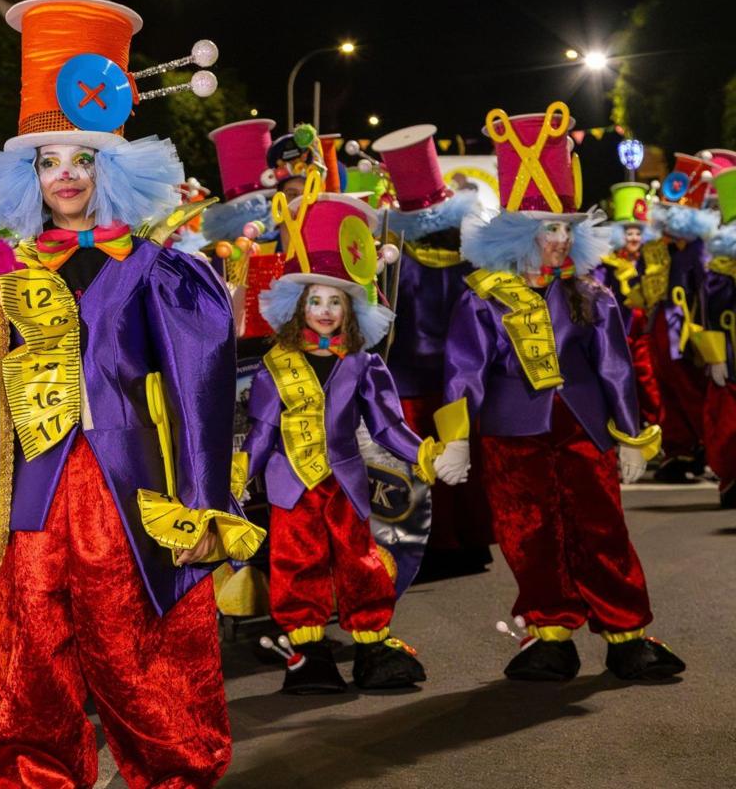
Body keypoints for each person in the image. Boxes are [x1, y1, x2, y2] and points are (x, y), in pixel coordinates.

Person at [0, 0, 255, 788]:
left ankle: (173, 774)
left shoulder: (163, 269)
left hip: (128, 492)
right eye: (48, 159)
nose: (64, 175)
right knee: (27, 651)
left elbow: (202, 395)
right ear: (29, 174)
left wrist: (204, 505)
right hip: (29, 491)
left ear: (110, 168)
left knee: (139, 650)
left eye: (81, 158)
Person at [440, 103, 685, 682]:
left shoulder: (592, 294)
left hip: (584, 426)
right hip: (510, 432)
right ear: (518, 233)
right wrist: (454, 439)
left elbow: (616, 369)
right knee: (528, 532)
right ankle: (549, 631)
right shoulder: (482, 297)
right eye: (544, 227)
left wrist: (630, 436)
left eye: (562, 228)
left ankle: (626, 631)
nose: (555, 238)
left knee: (603, 528)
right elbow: (463, 372)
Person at [245, 185, 443, 693]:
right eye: (317, 300)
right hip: (290, 485)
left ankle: (373, 646)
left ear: (351, 309)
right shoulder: (273, 366)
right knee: (296, 564)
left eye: (336, 300)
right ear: (299, 305)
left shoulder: (364, 363)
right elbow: (264, 430)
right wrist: (238, 475)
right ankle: (309, 653)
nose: (327, 310)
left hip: (347, 482)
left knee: (359, 560)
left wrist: (421, 450)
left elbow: (386, 424)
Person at [372, 124, 492, 577]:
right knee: (458, 456)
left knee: (417, 462)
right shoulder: (469, 257)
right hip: (457, 374)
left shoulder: (395, 258)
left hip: (410, 376)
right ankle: (468, 540)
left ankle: (430, 545)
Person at [647, 153, 720, 482]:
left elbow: (706, 292)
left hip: (686, 326)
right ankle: (680, 448)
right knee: (670, 386)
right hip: (664, 322)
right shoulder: (670, 249)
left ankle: (704, 444)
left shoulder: (698, 251)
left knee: (690, 388)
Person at [596, 182, 663, 428]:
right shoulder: (608, 265)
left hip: (644, 332)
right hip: (618, 333)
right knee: (619, 378)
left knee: (647, 378)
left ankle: (655, 424)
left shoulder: (652, 263)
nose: (634, 237)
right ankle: (624, 425)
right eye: (629, 232)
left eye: (638, 232)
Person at [697, 169, 736, 508]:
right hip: (732, 360)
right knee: (728, 428)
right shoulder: (720, 273)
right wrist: (717, 357)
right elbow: (709, 314)